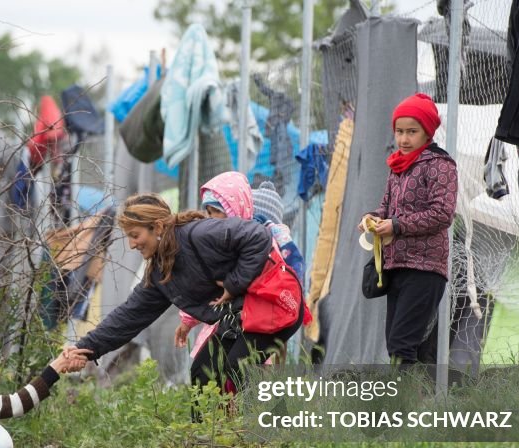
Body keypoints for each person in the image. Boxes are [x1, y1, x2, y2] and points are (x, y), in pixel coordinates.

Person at [71, 193, 301, 418]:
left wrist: (233, 284)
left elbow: (257, 235)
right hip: (242, 313)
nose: (132, 245)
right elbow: (129, 316)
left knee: (238, 366)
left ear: (158, 227)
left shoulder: (199, 234)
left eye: (135, 235)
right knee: (203, 371)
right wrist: (85, 348)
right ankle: (206, 442)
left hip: (276, 303)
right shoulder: (162, 271)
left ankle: (273, 432)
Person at [357, 93, 458, 364]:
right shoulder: (397, 167)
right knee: (397, 346)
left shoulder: (440, 165)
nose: (403, 139)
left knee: (402, 346)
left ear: (427, 132)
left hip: (425, 268)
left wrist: (397, 225)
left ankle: (403, 405)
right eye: (399, 131)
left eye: (411, 132)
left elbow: (442, 214)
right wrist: (372, 218)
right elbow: (386, 207)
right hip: (397, 265)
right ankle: (414, 403)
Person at [175, 173, 305, 377]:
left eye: (216, 212)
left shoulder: (262, 243)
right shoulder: (221, 243)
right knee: (206, 369)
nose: (210, 219)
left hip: (265, 317)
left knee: (242, 370)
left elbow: (289, 275)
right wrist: (187, 320)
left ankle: (250, 405)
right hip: (235, 319)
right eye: (207, 213)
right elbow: (208, 288)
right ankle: (221, 406)